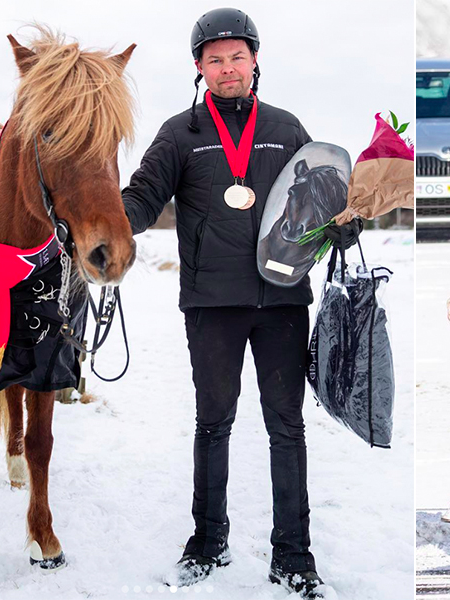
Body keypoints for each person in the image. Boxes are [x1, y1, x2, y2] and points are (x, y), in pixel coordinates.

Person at [120, 8, 326, 598]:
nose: (227, 67)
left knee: (287, 427)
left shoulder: (286, 128)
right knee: (213, 424)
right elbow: (142, 197)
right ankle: (207, 543)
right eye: (215, 59)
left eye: (237, 56)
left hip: (284, 299)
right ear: (199, 68)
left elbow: (321, 200)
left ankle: (294, 556)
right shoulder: (180, 134)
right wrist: (103, 223)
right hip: (211, 303)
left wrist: (343, 224)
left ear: (255, 60)